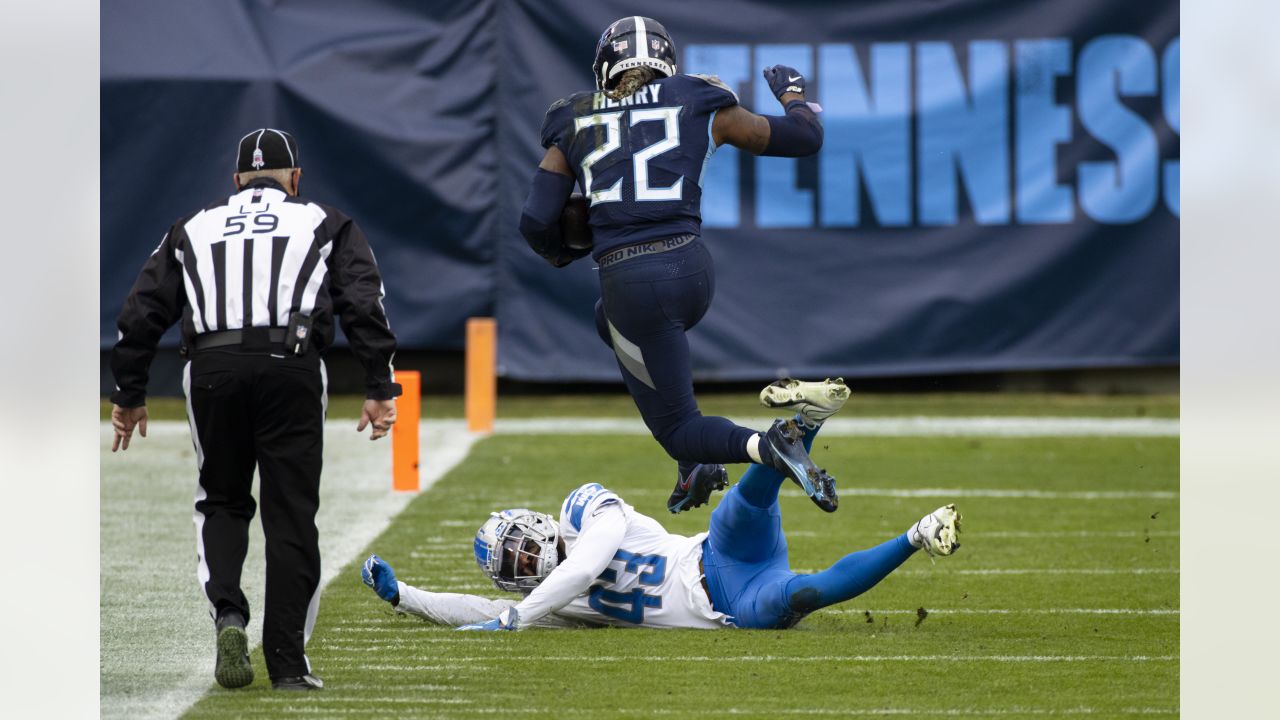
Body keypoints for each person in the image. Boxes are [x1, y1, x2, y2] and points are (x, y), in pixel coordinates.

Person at [109, 128, 402, 691]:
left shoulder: (192, 226)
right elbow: (364, 300)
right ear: (295, 179)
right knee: (291, 512)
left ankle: (229, 614)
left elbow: (141, 309)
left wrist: (128, 392)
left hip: (212, 367)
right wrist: (378, 383)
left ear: (236, 180)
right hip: (290, 362)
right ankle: (288, 664)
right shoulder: (324, 220)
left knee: (220, 499)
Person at [518, 16, 834, 516]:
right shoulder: (699, 99)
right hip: (691, 269)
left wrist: (567, 250)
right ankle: (695, 465)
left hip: (630, 278)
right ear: (666, 63)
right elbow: (804, 137)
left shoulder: (572, 117)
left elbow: (536, 219)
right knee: (610, 321)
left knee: (677, 427)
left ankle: (767, 445)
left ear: (604, 67)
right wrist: (793, 94)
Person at [359, 381, 962, 630]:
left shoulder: (584, 508)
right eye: (515, 566)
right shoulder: (553, 605)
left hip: (713, 553)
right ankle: (918, 534)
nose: (526, 559)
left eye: (521, 543)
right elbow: (471, 607)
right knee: (804, 596)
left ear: (536, 519)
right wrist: (402, 595)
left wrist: (516, 617)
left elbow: (587, 564)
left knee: (753, 490)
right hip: (732, 603)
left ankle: (796, 430)